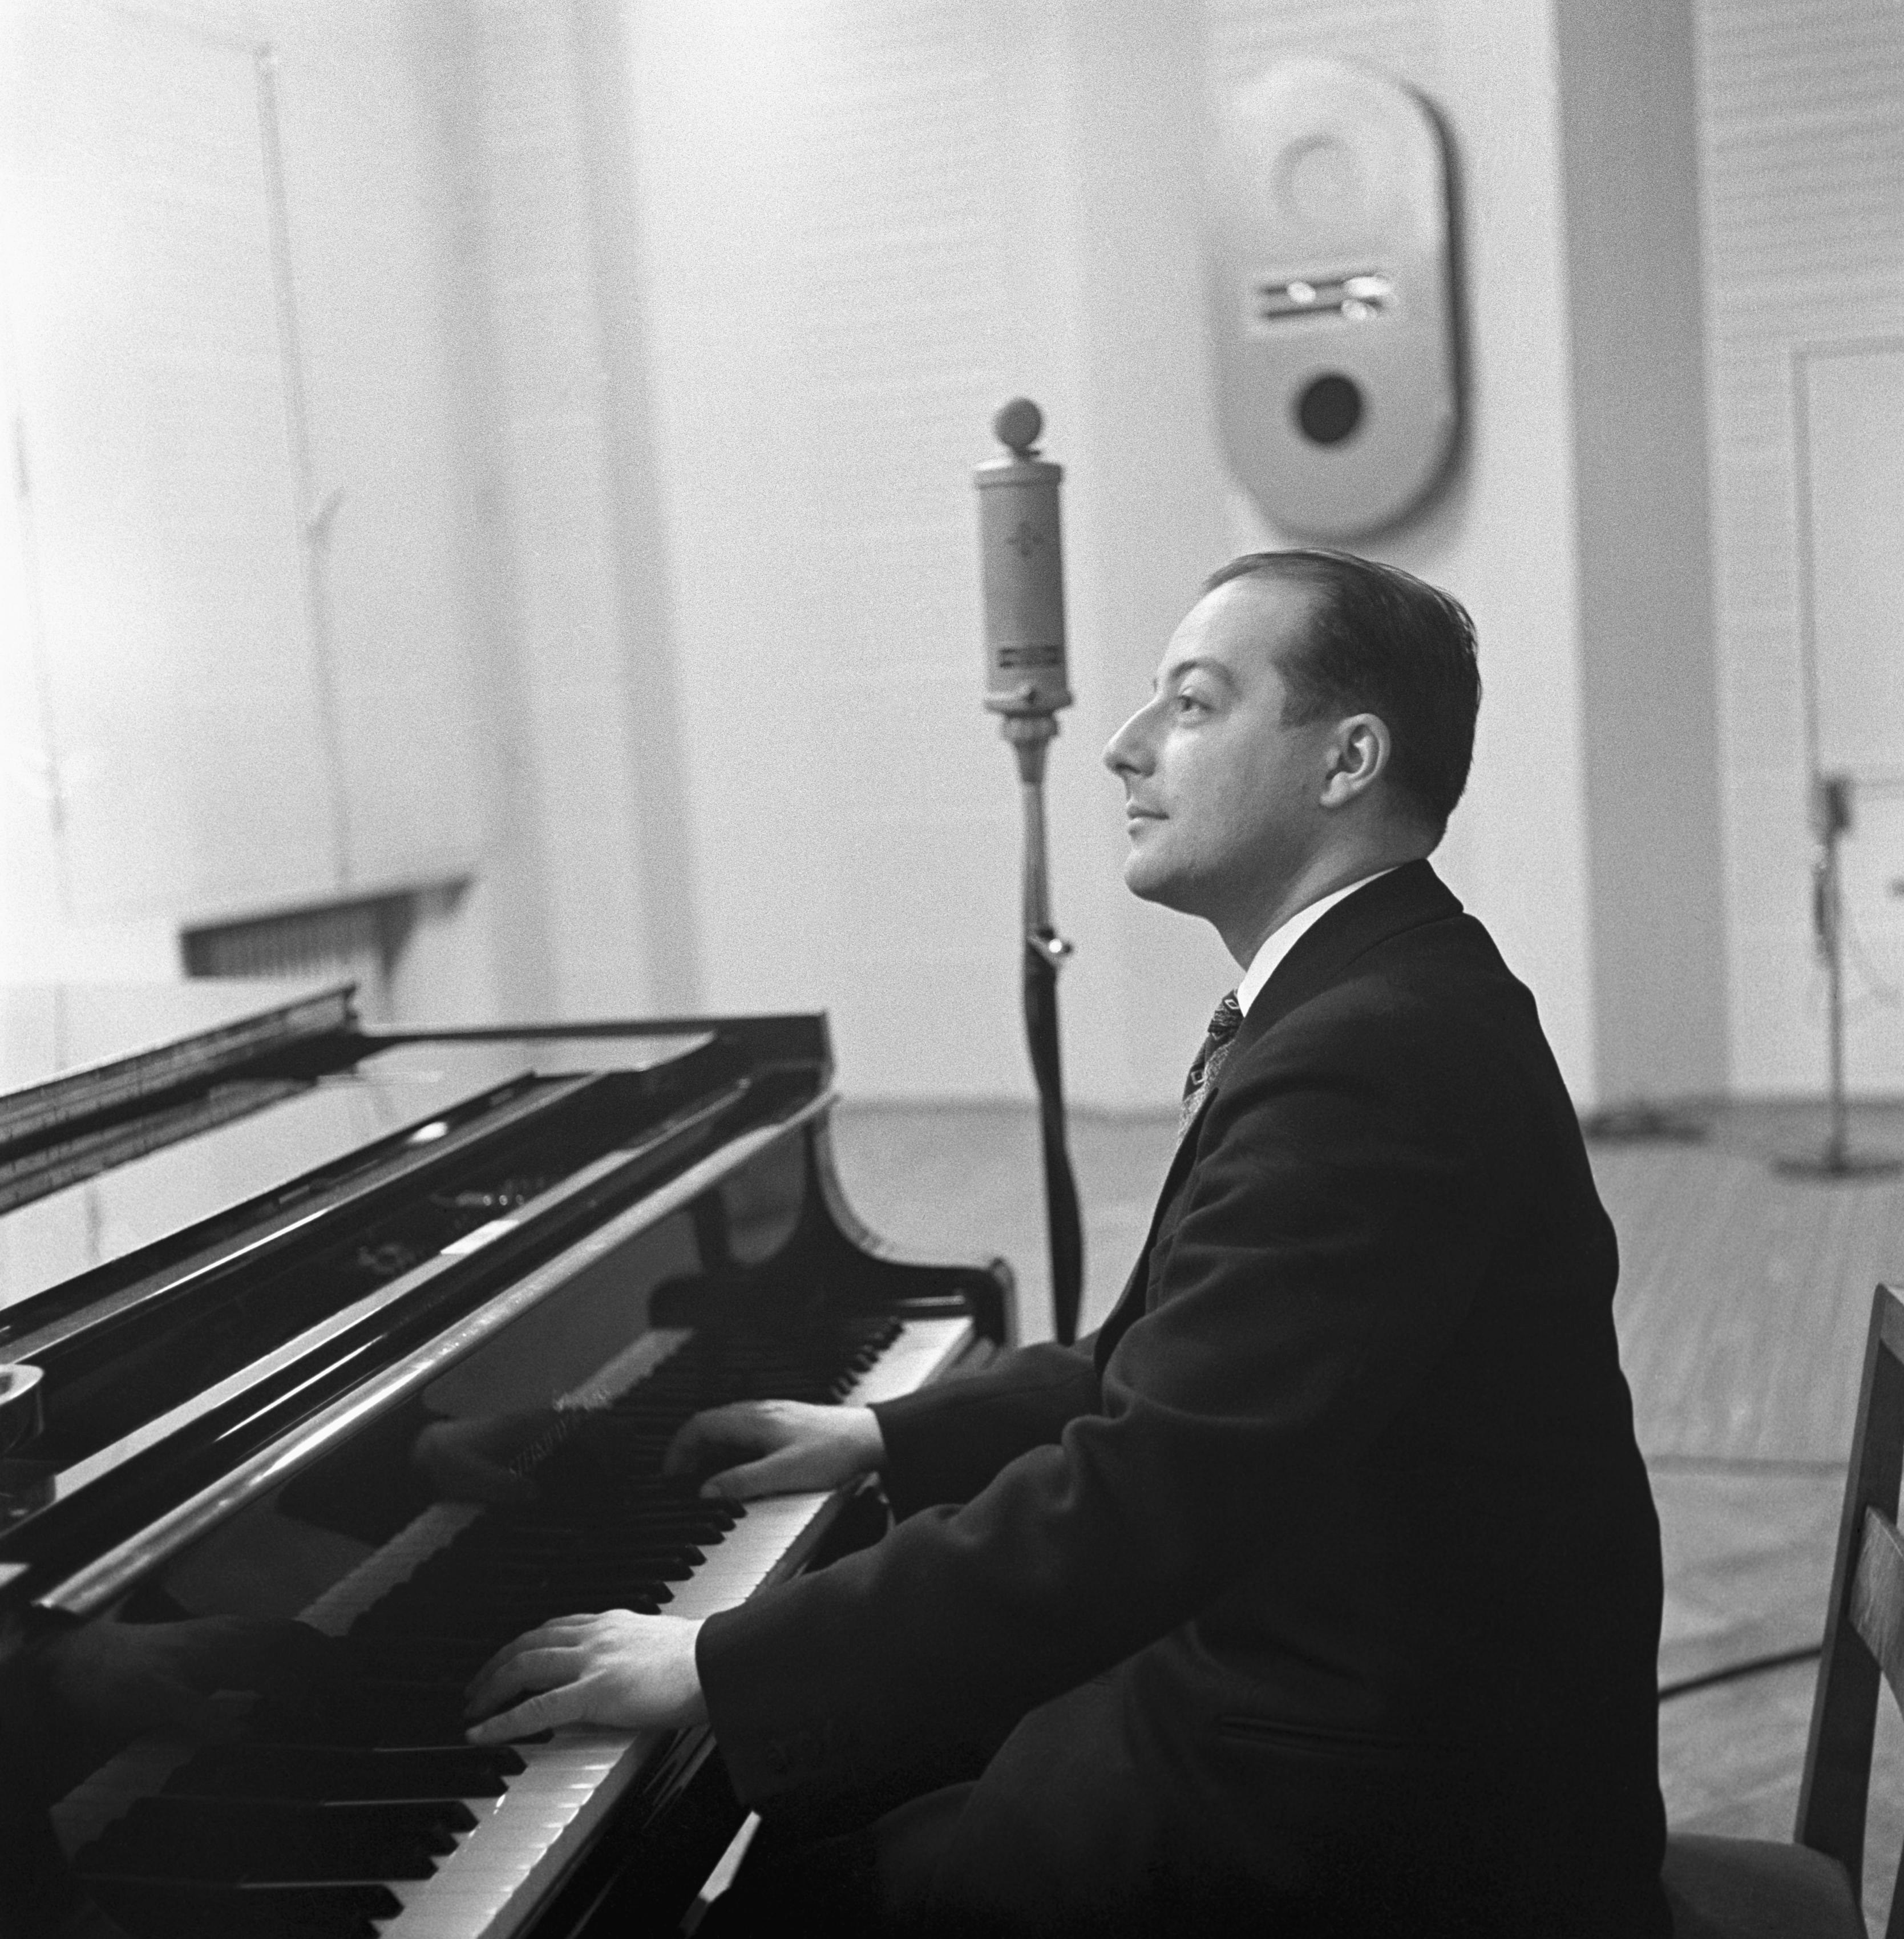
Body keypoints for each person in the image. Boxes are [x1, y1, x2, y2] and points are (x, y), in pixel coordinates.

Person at [464, 550, 1671, 1937]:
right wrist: (877, 1442)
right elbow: (1146, 1372)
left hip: (1384, 1818)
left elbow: (1152, 1490)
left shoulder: (1370, 1052)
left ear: (1346, 760)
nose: (1120, 744)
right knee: (829, 1804)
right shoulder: (1379, 991)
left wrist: (719, 1661)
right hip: (1347, 1705)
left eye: (1196, 703)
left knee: (785, 1897)